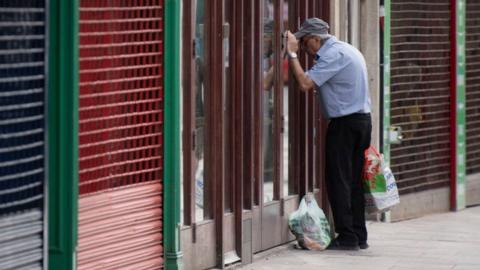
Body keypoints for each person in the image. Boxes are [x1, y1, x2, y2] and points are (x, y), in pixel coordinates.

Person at [285, 18, 372, 250]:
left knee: (338, 180)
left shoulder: (333, 55)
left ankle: (347, 236)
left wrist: (292, 55)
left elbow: (305, 83)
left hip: (345, 124)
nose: (303, 47)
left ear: (315, 38)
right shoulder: (346, 49)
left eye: (304, 42)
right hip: (361, 121)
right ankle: (358, 235)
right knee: (353, 181)